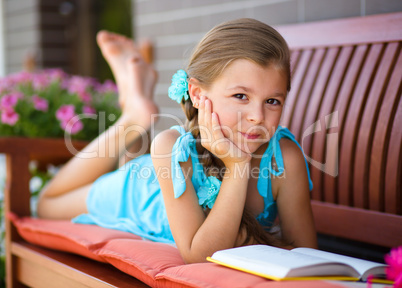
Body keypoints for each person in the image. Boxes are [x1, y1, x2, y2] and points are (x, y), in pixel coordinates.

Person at [37, 18, 317, 264]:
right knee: (47, 204)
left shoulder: (284, 157)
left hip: (163, 178)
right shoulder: (170, 147)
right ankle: (134, 117)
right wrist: (238, 166)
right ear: (196, 94)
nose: (257, 116)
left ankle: (136, 105)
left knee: (133, 160)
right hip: (136, 193)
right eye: (241, 96)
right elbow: (199, 256)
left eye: (272, 101)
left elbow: (307, 254)